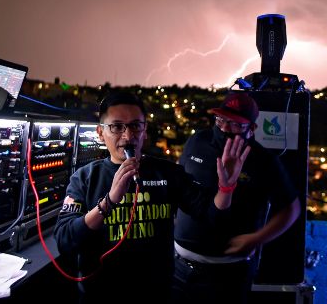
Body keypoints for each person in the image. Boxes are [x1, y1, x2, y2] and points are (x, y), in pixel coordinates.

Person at [54, 91, 250, 303]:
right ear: (101, 133)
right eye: (117, 127)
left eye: (135, 126)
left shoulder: (167, 172)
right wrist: (108, 201)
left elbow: (213, 217)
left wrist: (226, 188)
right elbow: (65, 240)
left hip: (157, 296)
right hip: (100, 296)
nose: (128, 136)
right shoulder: (84, 178)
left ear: (145, 130)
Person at [172, 91, 301, 304]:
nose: (223, 129)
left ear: (251, 129)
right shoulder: (198, 141)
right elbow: (179, 180)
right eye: (221, 120)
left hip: (227, 273)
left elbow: (291, 208)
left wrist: (257, 238)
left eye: (234, 124)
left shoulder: (263, 160)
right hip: (179, 265)